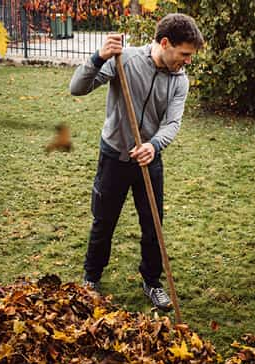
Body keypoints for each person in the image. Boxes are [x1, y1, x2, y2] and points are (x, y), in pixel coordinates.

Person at [69, 13, 203, 311]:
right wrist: (98, 57)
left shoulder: (180, 80)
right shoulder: (124, 61)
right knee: (104, 221)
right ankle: (91, 279)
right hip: (114, 157)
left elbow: (172, 123)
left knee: (153, 225)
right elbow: (77, 88)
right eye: (184, 54)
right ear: (165, 43)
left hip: (149, 161)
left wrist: (153, 146)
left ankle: (152, 282)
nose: (188, 61)